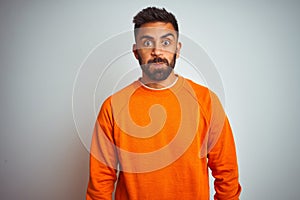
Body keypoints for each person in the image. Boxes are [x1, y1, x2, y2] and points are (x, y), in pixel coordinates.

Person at [86, 7, 242, 200]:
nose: (157, 51)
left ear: (177, 48)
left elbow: (227, 174)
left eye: (166, 42)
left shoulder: (206, 101)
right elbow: (100, 183)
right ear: (136, 51)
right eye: (147, 42)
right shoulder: (112, 107)